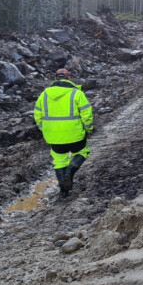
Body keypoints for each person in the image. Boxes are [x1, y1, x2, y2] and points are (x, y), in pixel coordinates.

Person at [34, 68, 94, 197]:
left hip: (53, 136)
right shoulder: (76, 93)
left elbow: (37, 116)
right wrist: (88, 129)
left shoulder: (44, 94)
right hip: (75, 134)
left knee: (60, 161)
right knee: (82, 152)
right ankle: (69, 174)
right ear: (69, 78)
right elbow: (87, 114)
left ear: (55, 79)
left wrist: (44, 129)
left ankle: (63, 190)